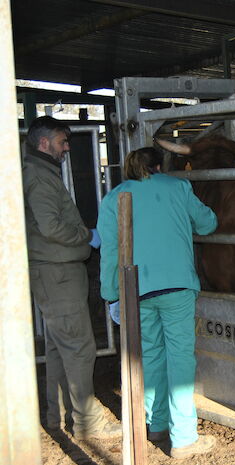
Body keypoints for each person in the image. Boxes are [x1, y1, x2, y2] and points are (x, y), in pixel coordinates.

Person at [97, 147, 218, 459]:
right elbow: (207, 224)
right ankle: (184, 438)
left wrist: (112, 294)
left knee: (150, 355)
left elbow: (111, 251)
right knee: (180, 358)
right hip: (177, 286)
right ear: (160, 167)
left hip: (136, 289)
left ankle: (157, 424)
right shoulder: (178, 187)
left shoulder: (114, 198)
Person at [22, 116, 122, 439]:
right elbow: (51, 227)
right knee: (79, 346)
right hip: (58, 274)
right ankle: (88, 423)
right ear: (43, 143)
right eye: (62, 142)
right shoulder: (39, 177)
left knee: (57, 347)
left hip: (55, 273)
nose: (67, 148)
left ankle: (57, 415)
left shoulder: (41, 173)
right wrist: (86, 236)